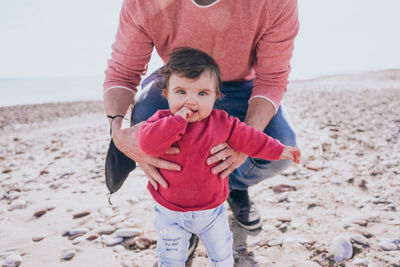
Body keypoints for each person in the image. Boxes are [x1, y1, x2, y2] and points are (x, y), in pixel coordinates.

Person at [103, 0, 299, 231]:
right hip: (179, 82)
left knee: (279, 148)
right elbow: (123, 73)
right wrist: (118, 131)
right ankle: (181, 204)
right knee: (145, 116)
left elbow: (272, 78)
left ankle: (230, 188)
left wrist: (247, 140)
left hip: (244, 86)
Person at [137, 47, 300, 266]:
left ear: (216, 97)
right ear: (166, 94)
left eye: (202, 93)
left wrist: (280, 150)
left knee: (222, 256)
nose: (191, 101)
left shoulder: (223, 123)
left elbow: (252, 139)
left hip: (212, 212)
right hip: (171, 213)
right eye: (181, 92)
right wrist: (176, 121)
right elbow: (147, 143)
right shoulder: (160, 121)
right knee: (171, 259)